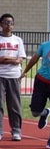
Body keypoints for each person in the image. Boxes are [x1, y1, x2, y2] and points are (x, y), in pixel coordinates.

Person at [0, 13, 27, 141]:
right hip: (0, 75)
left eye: (11, 23)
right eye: (6, 22)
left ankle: (16, 130)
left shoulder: (18, 40)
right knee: (0, 104)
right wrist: (10, 59)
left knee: (14, 104)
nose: (8, 25)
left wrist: (6, 58)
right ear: (1, 24)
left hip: (14, 75)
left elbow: (20, 59)